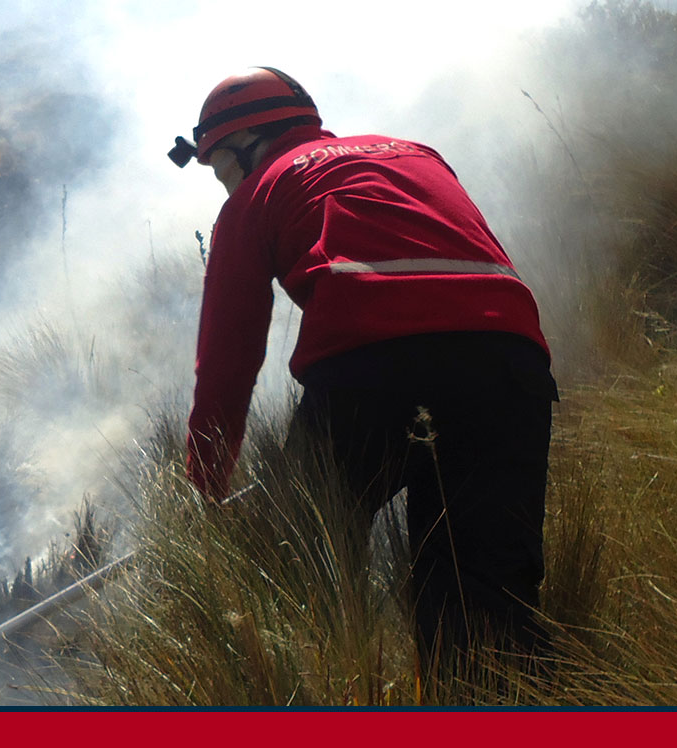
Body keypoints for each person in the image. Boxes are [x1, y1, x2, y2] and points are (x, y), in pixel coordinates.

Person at [170, 67, 559, 671]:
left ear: (248, 146)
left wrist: (204, 490)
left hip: (371, 362)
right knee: (485, 597)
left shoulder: (256, 195)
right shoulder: (417, 153)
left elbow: (227, 360)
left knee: (296, 555)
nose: (225, 188)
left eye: (221, 171)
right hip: (509, 356)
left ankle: (318, 692)